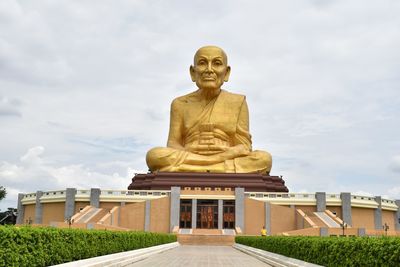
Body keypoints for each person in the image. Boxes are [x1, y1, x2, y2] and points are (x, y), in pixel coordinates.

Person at [146, 46, 272, 173]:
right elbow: (173, 143)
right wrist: (190, 150)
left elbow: (244, 146)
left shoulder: (237, 102)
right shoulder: (180, 104)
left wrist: (226, 153)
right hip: (194, 155)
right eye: (202, 63)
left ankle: (189, 169)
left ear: (226, 72)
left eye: (217, 64)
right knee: (155, 155)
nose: (209, 70)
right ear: (193, 72)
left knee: (263, 159)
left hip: (222, 157)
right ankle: (214, 169)